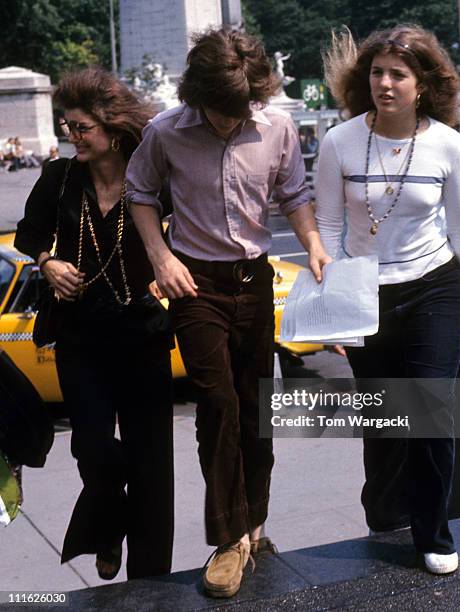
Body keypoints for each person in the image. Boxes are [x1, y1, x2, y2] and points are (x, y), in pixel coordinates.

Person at [126, 28, 330, 598]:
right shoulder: (165, 131)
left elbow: (293, 195)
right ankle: (229, 538)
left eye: (238, 113)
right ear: (197, 94)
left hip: (255, 280)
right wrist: (160, 257)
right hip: (195, 283)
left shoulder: (278, 126)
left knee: (256, 408)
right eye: (218, 112)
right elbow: (139, 193)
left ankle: (254, 525)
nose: (226, 124)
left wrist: (312, 242)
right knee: (217, 405)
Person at [316, 25, 460, 575]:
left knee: (430, 411)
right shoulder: (339, 141)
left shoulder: (446, 142)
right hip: (367, 292)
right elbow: (328, 225)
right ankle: (385, 514)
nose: (385, 83)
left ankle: (433, 534)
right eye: (377, 72)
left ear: (424, 84)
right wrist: (339, 313)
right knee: (386, 420)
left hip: (435, 287)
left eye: (398, 74)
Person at [15, 68, 174, 581]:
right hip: (81, 336)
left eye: (82, 127)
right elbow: (28, 232)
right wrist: (47, 260)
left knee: (153, 464)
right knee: (92, 448)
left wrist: (168, 266)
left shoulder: (150, 177)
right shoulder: (59, 178)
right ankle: (111, 526)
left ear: (112, 127)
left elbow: (192, 228)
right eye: (68, 126)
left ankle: (152, 579)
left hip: (143, 334)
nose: (72, 136)